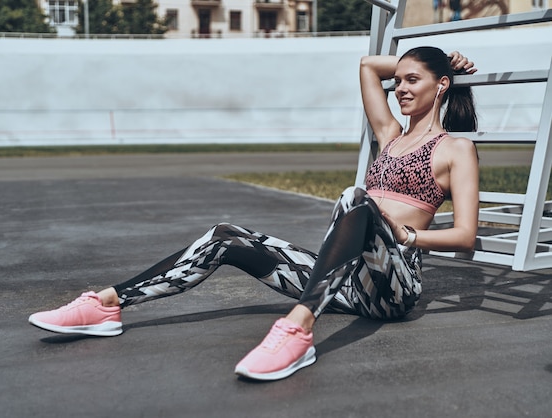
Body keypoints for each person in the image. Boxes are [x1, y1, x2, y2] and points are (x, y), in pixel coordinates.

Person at [29, 46, 480, 381]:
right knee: (226, 235)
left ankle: (298, 331)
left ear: (440, 86)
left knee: (354, 197)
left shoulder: (455, 149)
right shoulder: (389, 134)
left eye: (413, 80)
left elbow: (465, 236)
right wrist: (432, 62)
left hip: (394, 287)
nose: (399, 87)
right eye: (397, 80)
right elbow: (366, 65)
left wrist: (407, 236)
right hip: (344, 285)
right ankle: (108, 304)